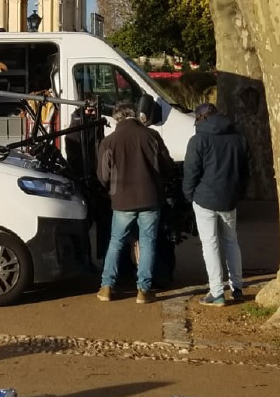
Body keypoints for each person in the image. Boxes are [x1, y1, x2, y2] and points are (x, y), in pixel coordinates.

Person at [96, 101, 174, 303]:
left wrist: (110, 188)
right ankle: (143, 290)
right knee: (148, 243)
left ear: (116, 118)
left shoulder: (109, 141)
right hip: (150, 198)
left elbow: (103, 175)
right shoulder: (152, 136)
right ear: (134, 115)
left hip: (121, 200)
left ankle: (106, 286)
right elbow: (166, 166)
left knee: (116, 242)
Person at [183, 103, 249, 306]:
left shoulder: (198, 139)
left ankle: (216, 291)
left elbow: (191, 171)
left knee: (210, 244)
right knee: (231, 240)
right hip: (229, 198)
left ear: (200, 118)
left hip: (205, 198)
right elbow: (246, 170)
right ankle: (237, 286)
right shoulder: (238, 138)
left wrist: (189, 194)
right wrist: (239, 193)